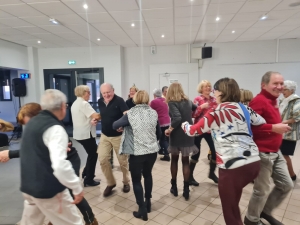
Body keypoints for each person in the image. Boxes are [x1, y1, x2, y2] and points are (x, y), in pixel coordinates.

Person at [182, 78, 266, 225]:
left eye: (215, 89)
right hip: (253, 163)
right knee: (235, 198)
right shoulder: (245, 107)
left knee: (231, 212)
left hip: (232, 166)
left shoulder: (216, 112)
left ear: (221, 92)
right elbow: (261, 121)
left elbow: (194, 131)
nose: (213, 92)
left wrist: (184, 124)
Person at [0, 102, 98, 225]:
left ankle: (91, 220)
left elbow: (38, 150)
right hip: (50, 167)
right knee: (51, 199)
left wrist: (9, 154)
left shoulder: (53, 127)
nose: (29, 126)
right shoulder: (36, 130)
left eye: (29, 122)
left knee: (70, 192)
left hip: (68, 161)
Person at [19, 90, 84, 225]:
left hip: (29, 188)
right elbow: (60, 165)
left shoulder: (32, 123)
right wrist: (76, 187)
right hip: (49, 190)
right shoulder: (55, 129)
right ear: (62, 106)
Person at [245, 71, 294, 225]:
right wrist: (273, 127)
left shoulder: (274, 101)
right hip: (262, 153)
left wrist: (278, 126)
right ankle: (251, 219)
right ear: (264, 85)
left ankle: (264, 211)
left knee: (286, 185)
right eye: (275, 83)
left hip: (275, 151)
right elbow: (249, 127)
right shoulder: (259, 101)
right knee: (261, 191)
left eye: (281, 84)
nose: (279, 87)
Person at [113, 90, 161, 221]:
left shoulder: (131, 113)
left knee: (136, 180)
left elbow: (115, 125)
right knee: (148, 175)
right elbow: (159, 134)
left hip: (137, 152)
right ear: (147, 99)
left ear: (134, 99)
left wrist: (125, 126)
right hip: (152, 152)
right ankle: (148, 202)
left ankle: (142, 209)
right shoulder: (153, 112)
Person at [165, 83, 198, 200]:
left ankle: (174, 187)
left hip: (177, 133)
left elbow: (177, 118)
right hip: (187, 133)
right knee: (185, 161)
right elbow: (196, 108)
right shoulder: (188, 101)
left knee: (174, 160)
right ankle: (186, 189)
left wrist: (169, 129)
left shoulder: (172, 102)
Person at [97, 83, 130, 197]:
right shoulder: (100, 101)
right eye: (104, 93)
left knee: (122, 161)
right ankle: (111, 183)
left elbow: (126, 115)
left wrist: (123, 125)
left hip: (118, 136)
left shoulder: (120, 101)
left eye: (108, 92)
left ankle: (126, 182)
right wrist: (96, 119)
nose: (106, 95)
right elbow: (103, 114)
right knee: (103, 159)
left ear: (113, 90)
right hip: (105, 135)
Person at [71, 85, 100, 187]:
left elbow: (86, 117)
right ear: (83, 93)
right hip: (86, 134)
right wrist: (106, 113)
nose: (90, 94)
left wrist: (92, 120)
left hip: (79, 134)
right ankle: (89, 179)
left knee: (91, 153)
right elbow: (96, 116)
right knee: (94, 154)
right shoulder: (84, 104)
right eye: (88, 92)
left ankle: (85, 173)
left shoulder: (75, 103)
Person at [190, 80, 218, 186]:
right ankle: (190, 176)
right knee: (196, 153)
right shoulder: (198, 99)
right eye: (205, 86)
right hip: (199, 129)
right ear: (201, 88)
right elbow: (193, 114)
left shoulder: (214, 100)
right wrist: (201, 107)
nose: (208, 88)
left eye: (209, 86)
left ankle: (211, 173)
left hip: (210, 130)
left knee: (215, 152)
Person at [279, 80, 300, 181]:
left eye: (285, 89)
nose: (283, 91)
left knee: (284, 154)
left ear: (291, 90)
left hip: (289, 132)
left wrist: (282, 123)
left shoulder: (296, 100)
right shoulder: (284, 100)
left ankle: (292, 175)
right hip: (280, 131)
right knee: (278, 153)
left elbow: (297, 117)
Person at [150, 88, 170, 161]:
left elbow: (150, 111)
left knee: (160, 138)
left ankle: (166, 154)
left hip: (160, 122)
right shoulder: (165, 100)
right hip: (167, 121)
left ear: (154, 95)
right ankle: (162, 151)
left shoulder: (153, 102)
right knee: (164, 138)